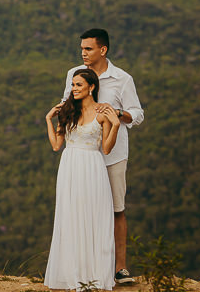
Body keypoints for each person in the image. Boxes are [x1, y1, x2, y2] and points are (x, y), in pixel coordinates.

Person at [62, 29, 144, 285]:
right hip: (84, 156)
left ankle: (119, 269)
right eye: (82, 49)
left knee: (116, 209)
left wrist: (117, 113)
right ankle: (84, 268)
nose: (83, 53)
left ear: (103, 50)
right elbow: (68, 103)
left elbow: (137, 114)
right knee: (82, 210)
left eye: (88, 49)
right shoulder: (73, 74)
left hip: (113, 155)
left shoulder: (122, 79)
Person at [45, 68, 121, 291]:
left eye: (78, 85)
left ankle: (94, 276)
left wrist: (115, 124)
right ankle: (73, 274)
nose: (74, 89)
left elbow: (106, 149)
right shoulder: (67, 111)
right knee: (71, 216)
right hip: (70, 167)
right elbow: (56, 145)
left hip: (93, 167)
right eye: (73, 85)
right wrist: (48, 119)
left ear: (92, 87)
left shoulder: (102, 113)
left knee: (93, 217)